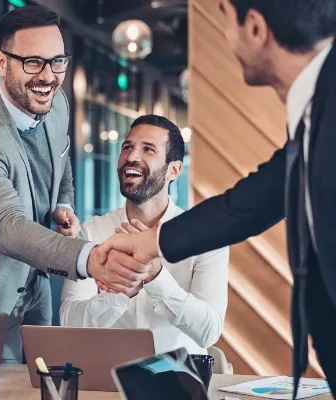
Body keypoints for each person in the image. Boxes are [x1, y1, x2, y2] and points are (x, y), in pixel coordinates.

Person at [96, 0, 336, 392]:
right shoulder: (318, 107)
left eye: (228, 23)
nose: (227, 38)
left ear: (256, 29)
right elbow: (250, 204)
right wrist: (154, 242)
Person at [0, 5, 149, 364]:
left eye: (57, 61)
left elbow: (61, 163)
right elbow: (8, 227)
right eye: (33, 62)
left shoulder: (57, 105)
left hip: (36, 284)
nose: (48, 77)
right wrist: (90, 258)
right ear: (1, 63)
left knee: (38, 380)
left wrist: (62, 203)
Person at [60, 115, 229, 355]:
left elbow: (209, 331)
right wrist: (121, 289)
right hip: (108, 383)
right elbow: (69, 325)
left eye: (148, 149)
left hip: (180, 383)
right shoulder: (92, 231)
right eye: (127, 147)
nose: (131, 157)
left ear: (174, 170)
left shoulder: (206, 237)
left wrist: (155, 276)